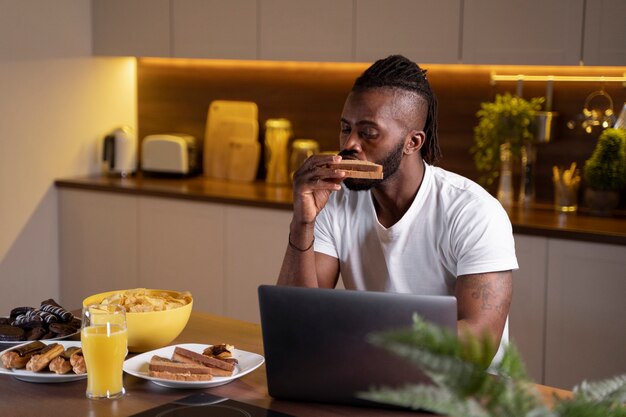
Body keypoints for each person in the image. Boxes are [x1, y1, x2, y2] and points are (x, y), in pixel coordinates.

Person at [277, 55, 517, 366]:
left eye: (368, 133)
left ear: (413, 142)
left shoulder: (474, 213)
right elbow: (296, 320)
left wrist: (367, 338)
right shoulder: (335, 200)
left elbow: (479, 341)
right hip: (374, 376)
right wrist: (302, 222)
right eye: (345, 128)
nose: (349, 144)